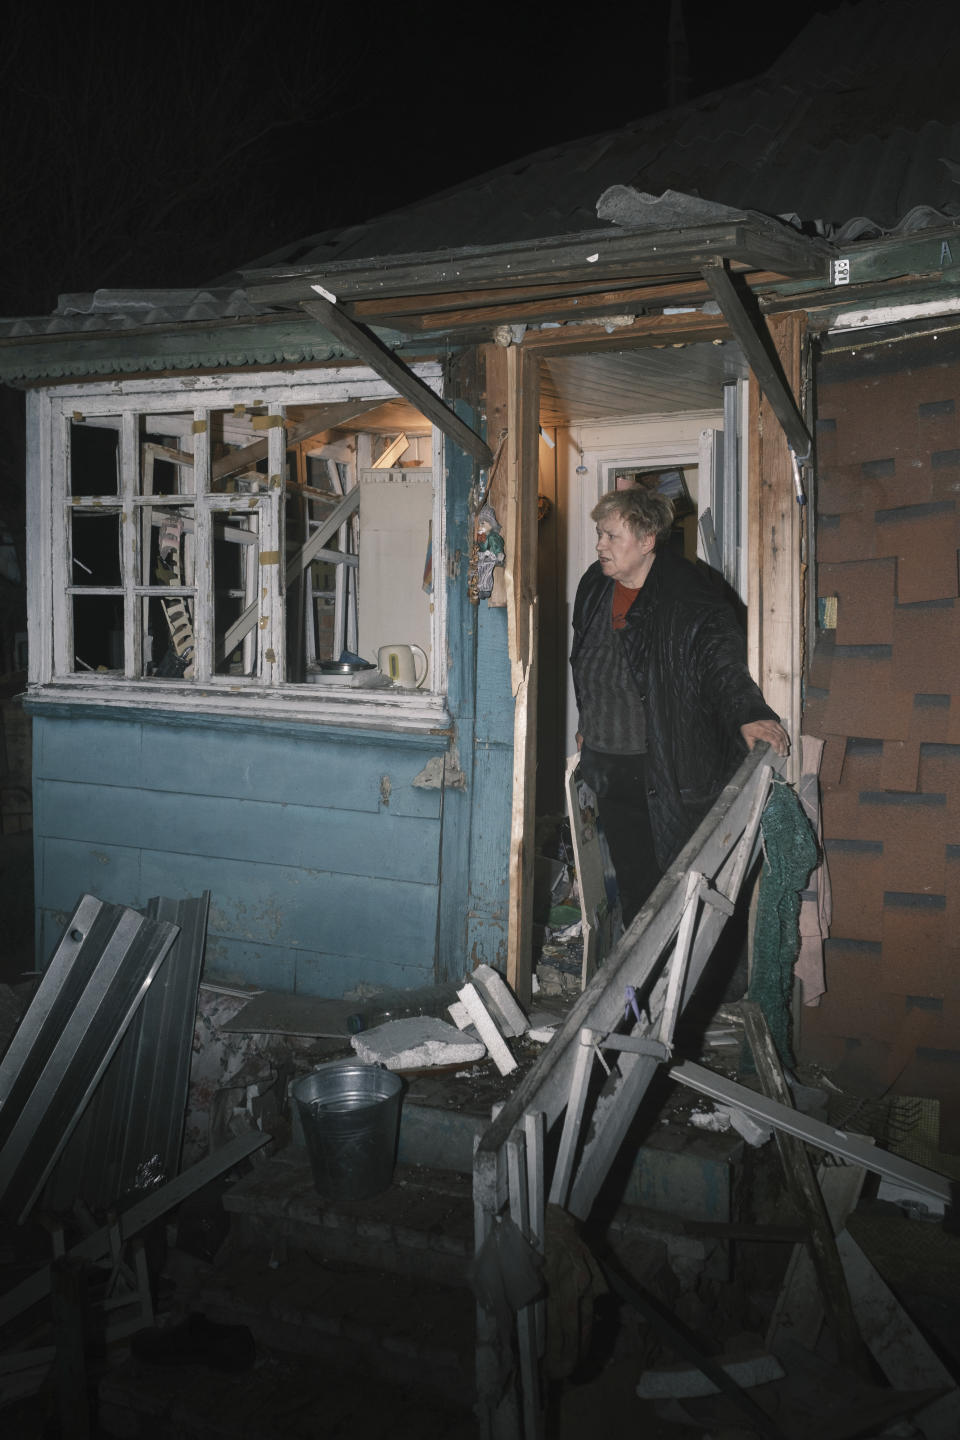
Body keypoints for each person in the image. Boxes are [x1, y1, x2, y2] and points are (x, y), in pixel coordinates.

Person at [571, 488, 789, 926]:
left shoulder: (691, 592)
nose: (600, 545)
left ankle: (680, 986)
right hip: (608, 764)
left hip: (664, 766)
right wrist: (588, 719)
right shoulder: (594, 584)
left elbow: (721, 662)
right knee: (632, 884)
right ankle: (639, 990)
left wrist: (749, 711)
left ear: (648, 539)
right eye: (600, 534)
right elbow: (588, 658)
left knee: (675, 885)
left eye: (612, 536)